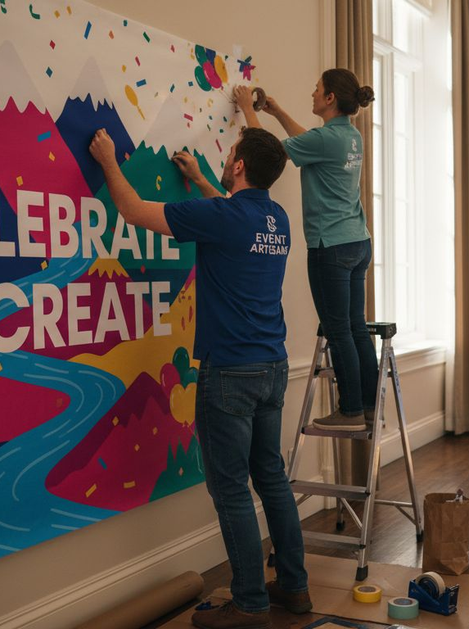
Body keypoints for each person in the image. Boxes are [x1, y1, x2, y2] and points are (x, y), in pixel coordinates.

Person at [90, 126, 310, 629]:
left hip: (230, 371)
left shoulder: (224, 217)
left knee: (231, 489)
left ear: (237, 166)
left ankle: (250, 605)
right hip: (273, 367)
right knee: (271, 478)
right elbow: (233, 214)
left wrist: (107, 160)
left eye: (229, 152)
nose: (224, 155)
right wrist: (203, 179)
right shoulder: (275, 218)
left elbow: (133, 211)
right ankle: (293, 588)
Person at [235, 70, 377, 432]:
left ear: (329, 98)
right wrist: (276, 110)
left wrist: (244, 109)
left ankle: (350, 411)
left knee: (338, 329)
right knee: (356, 327)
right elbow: (308, 142)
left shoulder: (328, 139)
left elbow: (268, 151)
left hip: (330, 245)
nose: (312, 93)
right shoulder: (349, 136)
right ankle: (371, 404)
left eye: (317, 90)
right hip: (357, 241)